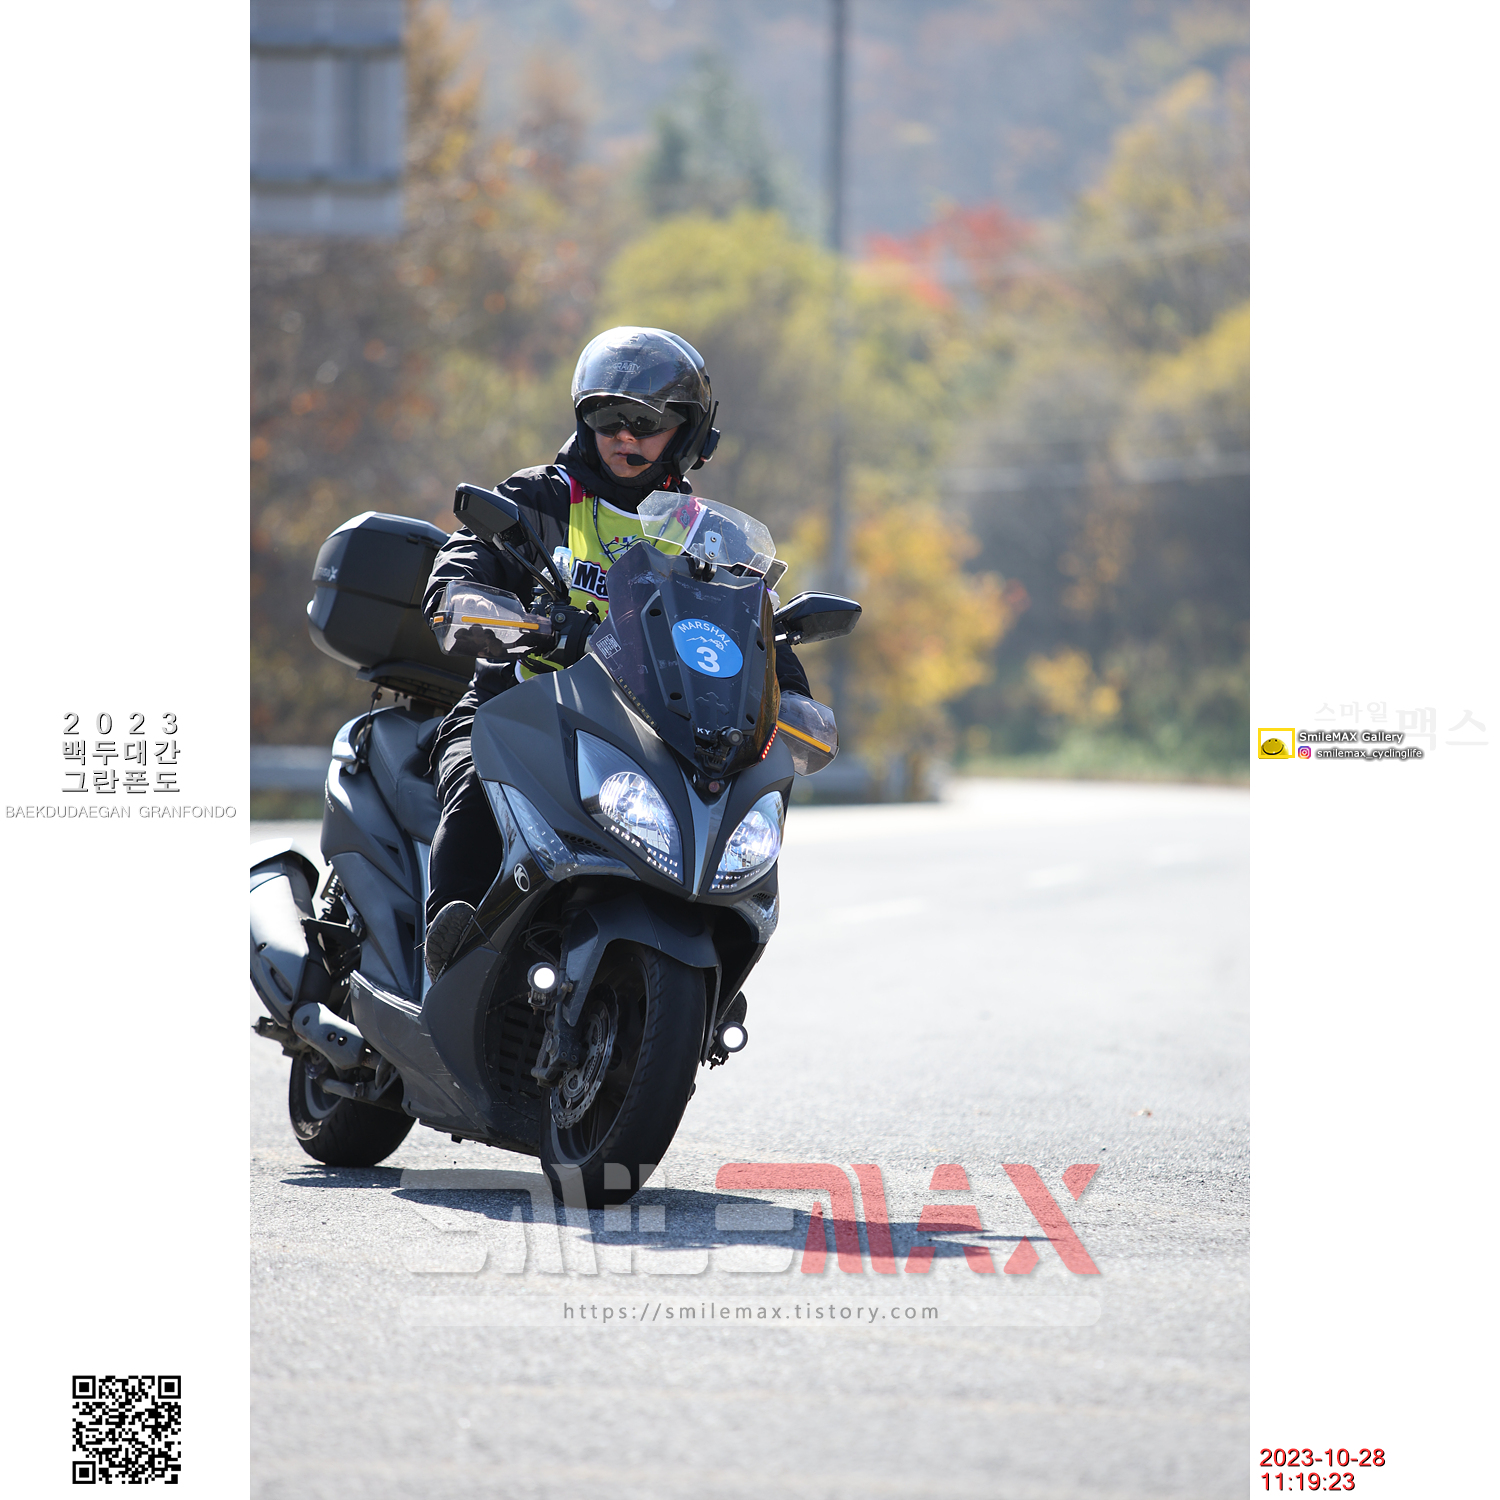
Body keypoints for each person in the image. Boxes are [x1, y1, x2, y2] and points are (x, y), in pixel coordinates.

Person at [421, 325, 810, 980]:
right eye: (606, 417)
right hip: (524, 705)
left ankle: (716, 968)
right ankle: (449, 959)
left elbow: (755, 628)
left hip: (658, 737)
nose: (624, 436)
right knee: (474, 788)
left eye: (645, 421)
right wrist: (474, 600)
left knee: (747, 809)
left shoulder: (709, 539)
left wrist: (789, 693)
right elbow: (469, 559)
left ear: (686, 432)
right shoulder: (541, 498)